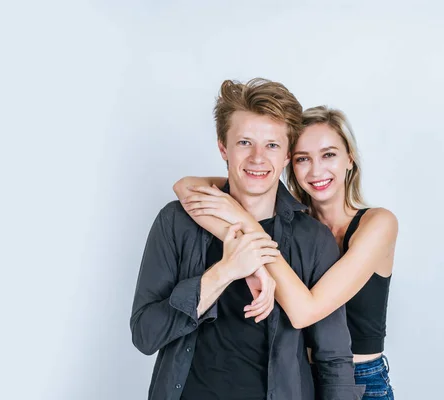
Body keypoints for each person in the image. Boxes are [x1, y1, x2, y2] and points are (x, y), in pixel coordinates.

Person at [130, 79, 364, 400]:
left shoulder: (313, 240)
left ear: (286, 155)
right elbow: (145, 335)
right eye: (244, 142)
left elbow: (333, 359)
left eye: (271, 145)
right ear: (223, 147)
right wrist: (225, 271)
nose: (257, 158)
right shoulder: (175, 222)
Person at [174, 105, 398, 399]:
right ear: (289, 162)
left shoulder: (378, 223)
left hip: (358, 381)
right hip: (295, 377)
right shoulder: (296, 226)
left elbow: (305, 312)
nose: (316, 170)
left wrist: (244, 224)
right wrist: (249, 254)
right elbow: (186, 187)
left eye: (328, 154)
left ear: (350, 159)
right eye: (304, 158)